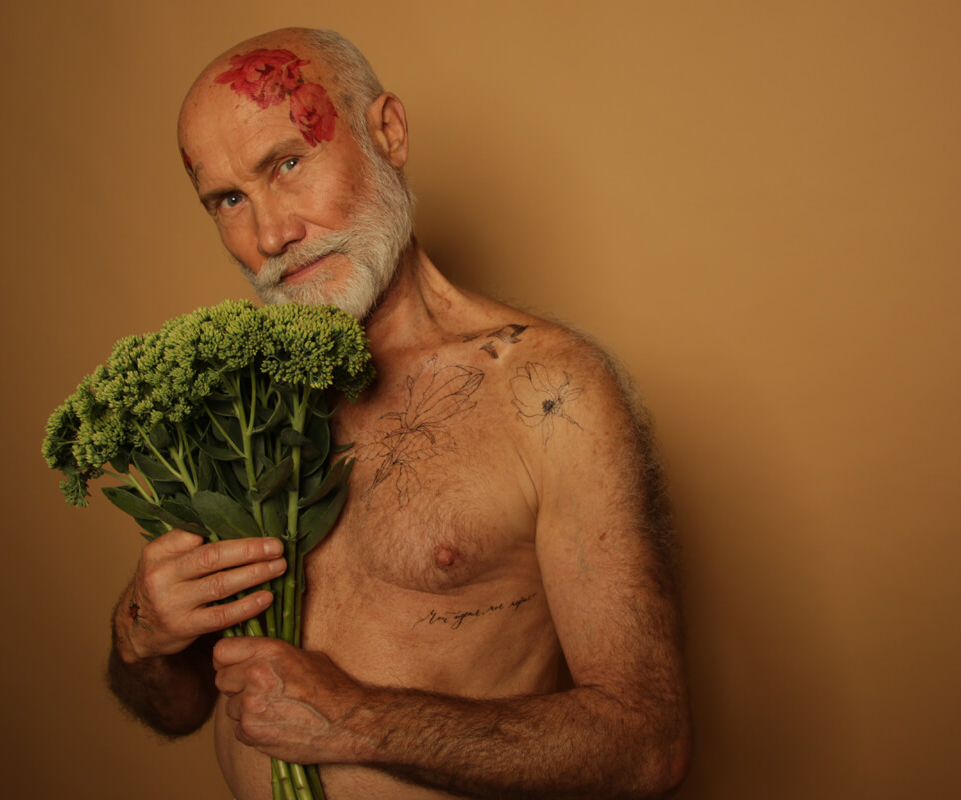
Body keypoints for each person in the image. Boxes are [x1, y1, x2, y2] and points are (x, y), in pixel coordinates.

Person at [107, 27, 692, 800]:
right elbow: (176, 708)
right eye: (229, 200)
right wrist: (143, 632)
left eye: (288, 164)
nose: (270, 234)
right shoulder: (238, 400)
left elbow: (648, 745)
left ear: (388, 132)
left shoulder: (552, 394)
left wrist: (353, 719)